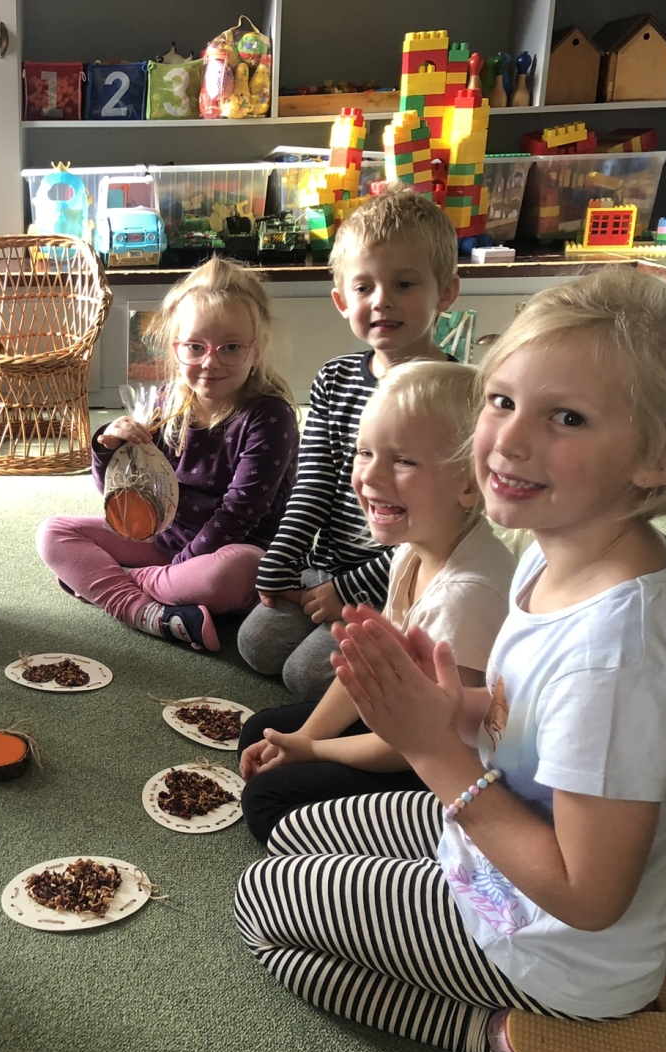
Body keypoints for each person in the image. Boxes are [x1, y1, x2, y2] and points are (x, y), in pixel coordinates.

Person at [234, 268, 666, 1052]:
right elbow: (524, 716)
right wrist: (454, 711)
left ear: (663, 456)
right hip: (502, 861)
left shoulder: (619, 657)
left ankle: (523, 1032)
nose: (508, 439)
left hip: (553, 941)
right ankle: (626, 987)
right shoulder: (554, 547)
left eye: (566, 417)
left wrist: (433, 748)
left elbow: (588, 893)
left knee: (263, 906)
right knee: (291, 829)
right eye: (501, 400)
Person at [236, 360, 514, 842]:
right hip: (408, 724)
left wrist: (316, 751)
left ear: (470, 484)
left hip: (452, 771)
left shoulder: (465, 596)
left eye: (403, 461)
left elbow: (432, 743)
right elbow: (367, 670)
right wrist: (304, 739)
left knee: (267, 801)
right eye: (364, 452)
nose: (370, 476)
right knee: (263, 730)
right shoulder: (413, 547)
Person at [237, 185, 461, 700]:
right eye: (364, 287)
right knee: (257, 645)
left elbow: (438, 530)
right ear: (342, 300)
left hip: (404, 579)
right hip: (329, 564)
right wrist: (282, 558)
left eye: (404, 284)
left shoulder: (455, 394)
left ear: (446, 293)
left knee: (305, 677)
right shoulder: (333, 379)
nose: (382, 300)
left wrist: (350, 591)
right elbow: (313, 483)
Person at [35, 257, 298, 651]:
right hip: (162, 539)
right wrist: (108, 447)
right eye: (195, 347)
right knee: (54, 532)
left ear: (256, 351)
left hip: (228, 551)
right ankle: (145, 610)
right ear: (176, 348)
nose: (210, 361)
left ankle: (117, 583)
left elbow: (239, 514)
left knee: (239, 569)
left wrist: (177, 568)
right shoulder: (165, 403)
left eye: (231, 348)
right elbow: (120, 499)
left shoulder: (269, 416)